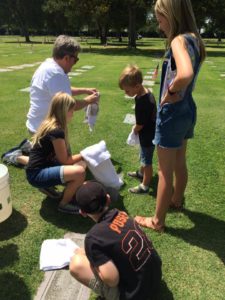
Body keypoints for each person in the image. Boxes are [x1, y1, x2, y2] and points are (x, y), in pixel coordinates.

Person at [135, 0, 206, 232]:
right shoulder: (195, 39)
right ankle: (176, 200)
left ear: (171, 15)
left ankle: (157, 221)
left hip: (173, 113)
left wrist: (171, 92)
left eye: (160, 19)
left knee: (164, 169)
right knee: (179, 162)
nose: (159, 25)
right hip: (188, 109)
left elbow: (184, 73)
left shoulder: (178, 40)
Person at [2, 35, 98, 168]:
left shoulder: (48, 65)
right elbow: (69, 106)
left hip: (37, 125)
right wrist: (89, 100)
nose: (75, 63)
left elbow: (62, 90)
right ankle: (16, 156)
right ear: (66, 58)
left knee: (64, 161)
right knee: (61, 165)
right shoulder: (56, 74)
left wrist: (84, 90)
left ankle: (31, 147)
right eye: (75, 59)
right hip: (46, 130)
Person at [70, 181, 162, 300]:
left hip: (136, 295)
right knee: (82, 253)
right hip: (154, 279)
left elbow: (112, 280)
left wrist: (94, 265)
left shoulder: (93, 238)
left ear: (82, 212)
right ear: (108, 199)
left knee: (76, 263)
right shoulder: (122, 214)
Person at [25, 92, 88, 214]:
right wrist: (86, 153)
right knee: (80, 172)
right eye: (72, 110)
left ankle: (47, 186)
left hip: (38, 168)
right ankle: (64, 204)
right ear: (64, 111)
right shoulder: (56, 131)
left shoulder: (49, 123)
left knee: (81, 164)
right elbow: (65, 160)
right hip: (36, 174)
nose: (73, 114)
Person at [119, 65, 156, 194]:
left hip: (148, 135)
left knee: (147, 161)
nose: (126, 93)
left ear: (137, 86)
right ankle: (141, 173)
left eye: (127, 91)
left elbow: (140, 124)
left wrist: (134, 129)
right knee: (144, 155)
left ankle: (145, 185)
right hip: (148, 132)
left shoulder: (143, 102)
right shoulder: (144, 93)